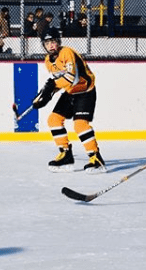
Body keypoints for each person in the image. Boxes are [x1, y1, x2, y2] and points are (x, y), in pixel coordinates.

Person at [32, 28, 107, 173]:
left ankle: (96, 158)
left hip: (85, 90)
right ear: (44, 45)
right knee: (53, 120)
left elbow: (72, 78)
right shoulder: (48, 61)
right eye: (47, 43)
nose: (51, 45)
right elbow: (60, 82)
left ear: (58, 42)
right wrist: (44, 96)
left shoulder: (66, 52)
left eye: (53, 42)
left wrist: (53, 86)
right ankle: (66, 154)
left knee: (80, 125)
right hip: (70, 92)